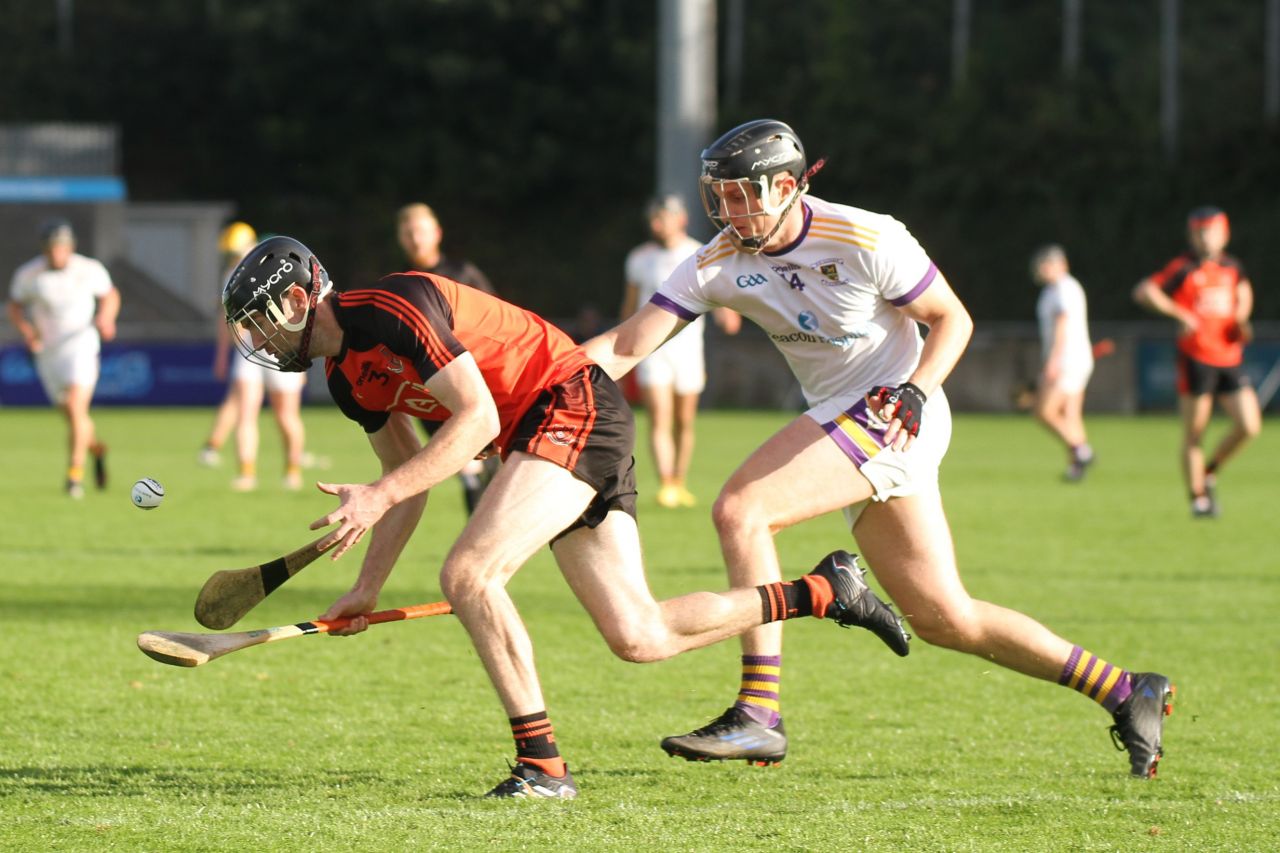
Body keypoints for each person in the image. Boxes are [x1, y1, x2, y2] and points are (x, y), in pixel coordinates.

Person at [583, 119, 1174, 779]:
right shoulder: (720, 260)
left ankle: (759, 714)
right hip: (846, 420)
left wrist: (919, 389)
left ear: (785, 186)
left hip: (895, 410)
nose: (725, 210)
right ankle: (1127, 690)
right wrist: (531, 387)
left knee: (741, 510)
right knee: (946, 618)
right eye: (716, 196)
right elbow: (625, 345)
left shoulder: (866, 235)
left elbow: (953, 318)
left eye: (739, 194)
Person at [220, 236, 909, 799]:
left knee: (469, 573)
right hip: (544, 433)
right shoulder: (346, 378)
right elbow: (410, 484)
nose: (256, 337)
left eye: (258, 319)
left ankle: (542, 766)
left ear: (299, 297)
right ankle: (823, 591)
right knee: (640, 634)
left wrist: (377, 493)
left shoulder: (394, 306)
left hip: (566, 404)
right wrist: (368, 585)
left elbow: (477, 418)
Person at [1133, 207, 1261, 519]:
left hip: (1230, 357)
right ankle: (1198, 498)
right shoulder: (1183, 268)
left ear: (1224, 233)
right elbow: (1144, 291)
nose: (1206, 237)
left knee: (1250, 425)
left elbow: (1243, 293)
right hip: (1196, 358)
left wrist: (1242, 318)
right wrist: (1180, 314)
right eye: (1200, 231)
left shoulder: (1233, 267)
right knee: (1195, 433)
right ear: (1192, 235)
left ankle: (1210, 469)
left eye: (1212, 231)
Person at [622, 195, 740, 508]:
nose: (656, 224)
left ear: (680, 219)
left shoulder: (698, 252)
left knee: (684, 420)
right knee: (659, 417)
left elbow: (717, 292)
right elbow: (630, 305)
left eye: (662, 217)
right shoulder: (639, 258)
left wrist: (728, 312)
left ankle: (679, 479)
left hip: (688, 350)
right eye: (653, 218)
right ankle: (666, 484)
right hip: (653, 349)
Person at [7, 219, 119, 498]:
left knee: (74, 405)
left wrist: (106, 318)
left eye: (61, 247)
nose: (56, 253)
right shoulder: (29, 275)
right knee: (72, 415)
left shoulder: (89, 269)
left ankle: (74, 477)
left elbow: (110, 296)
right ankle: (96, 449)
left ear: (70, 247)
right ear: (44, 249)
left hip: (81, 344)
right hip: (49, 352)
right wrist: (27, 331)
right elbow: (15, 306)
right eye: (51, 248)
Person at [397, 202, 497, 513]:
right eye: (409, 233)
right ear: (400, 237)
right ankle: (482, 538)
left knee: (479, 463)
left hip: (473, 380)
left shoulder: (463, 274)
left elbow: (495, 319)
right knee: (469, 464)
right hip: (429, 388)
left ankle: (484, 537)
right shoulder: (399, 283)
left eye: (421, 231)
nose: (416, 239)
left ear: (437, 233)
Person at [198, 222, 308, 491]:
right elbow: (230, 321)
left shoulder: (279, 269)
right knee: (246, 412)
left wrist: (302, 351)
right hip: (248, 348)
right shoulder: (230, 276)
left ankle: (292, 470)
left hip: (282, 346)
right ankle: (247, 472)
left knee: (285, 415)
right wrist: (224, 353)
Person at [1030, 244, 1095, 481]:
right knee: (1070, 413)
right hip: (1075, 358)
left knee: (1043, 411)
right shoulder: (1053, 290)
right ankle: (1076, 466)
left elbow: (1062, 325)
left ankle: (1081, 450)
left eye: (1048, 264)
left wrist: (1053, 361)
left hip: (1068, 359)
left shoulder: (1064, 289)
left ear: (1061, 265)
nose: (1043, 269)